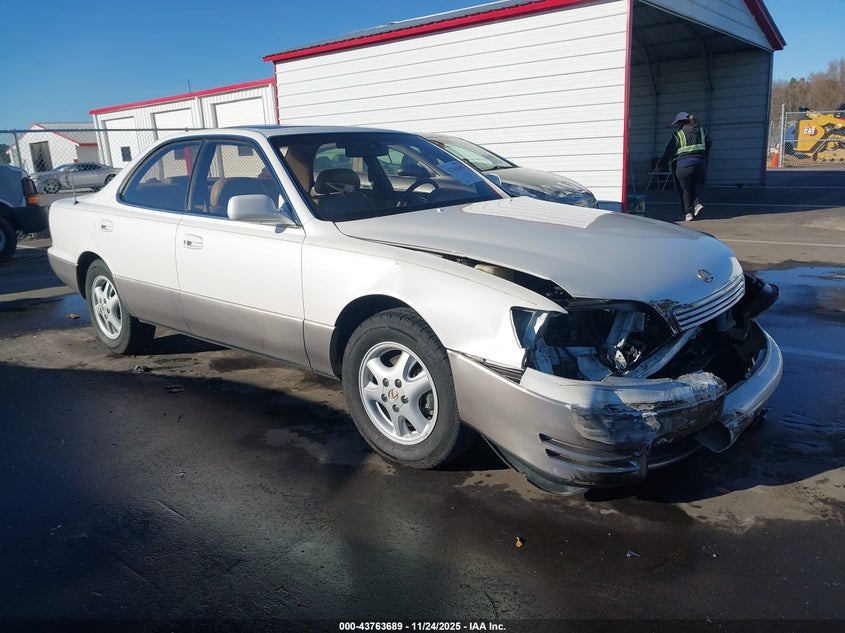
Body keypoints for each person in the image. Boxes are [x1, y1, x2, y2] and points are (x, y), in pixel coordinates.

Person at [656, 111, 711, 222]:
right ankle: (697, 204)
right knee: (692, 186)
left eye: (677, 123)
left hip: (684, 166)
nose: (676, 126)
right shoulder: (701, 131)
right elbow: (709, 144)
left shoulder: (679, 135)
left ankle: (688, 213)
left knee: (684, 190)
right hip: (699, 166)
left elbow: (669, 152)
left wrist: (660, 165)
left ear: (681, 123)